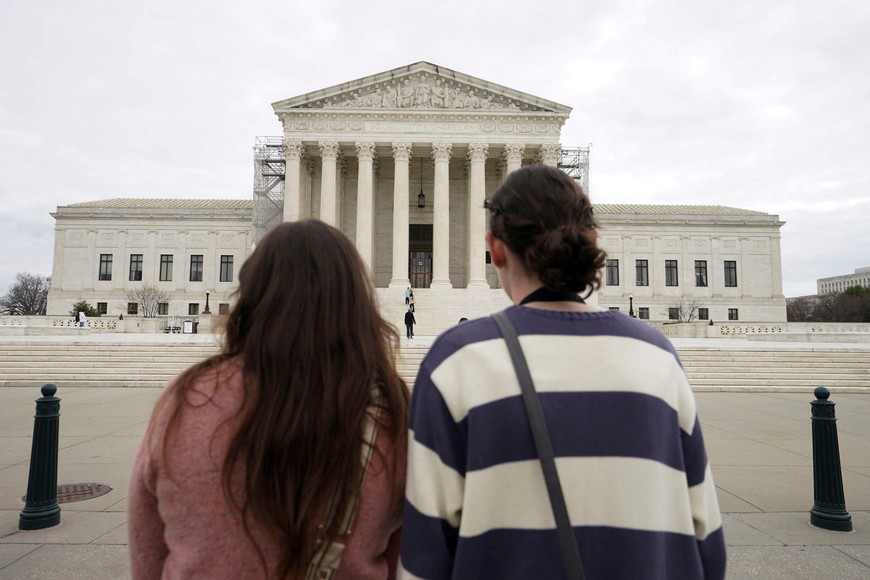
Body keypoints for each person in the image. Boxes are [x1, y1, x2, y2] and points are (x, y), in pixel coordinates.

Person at [400, 165, 726, 579]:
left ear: (495, 250)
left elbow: (425, 555)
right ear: (591, 242)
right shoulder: (656, 357)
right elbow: (706, 541)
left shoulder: (457, 361)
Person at [128, 220, 410, 579]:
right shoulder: (391, 416)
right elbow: (405, 562)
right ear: (356, 299)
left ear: (251, 294)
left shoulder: (183, 402)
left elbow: (148, 556)